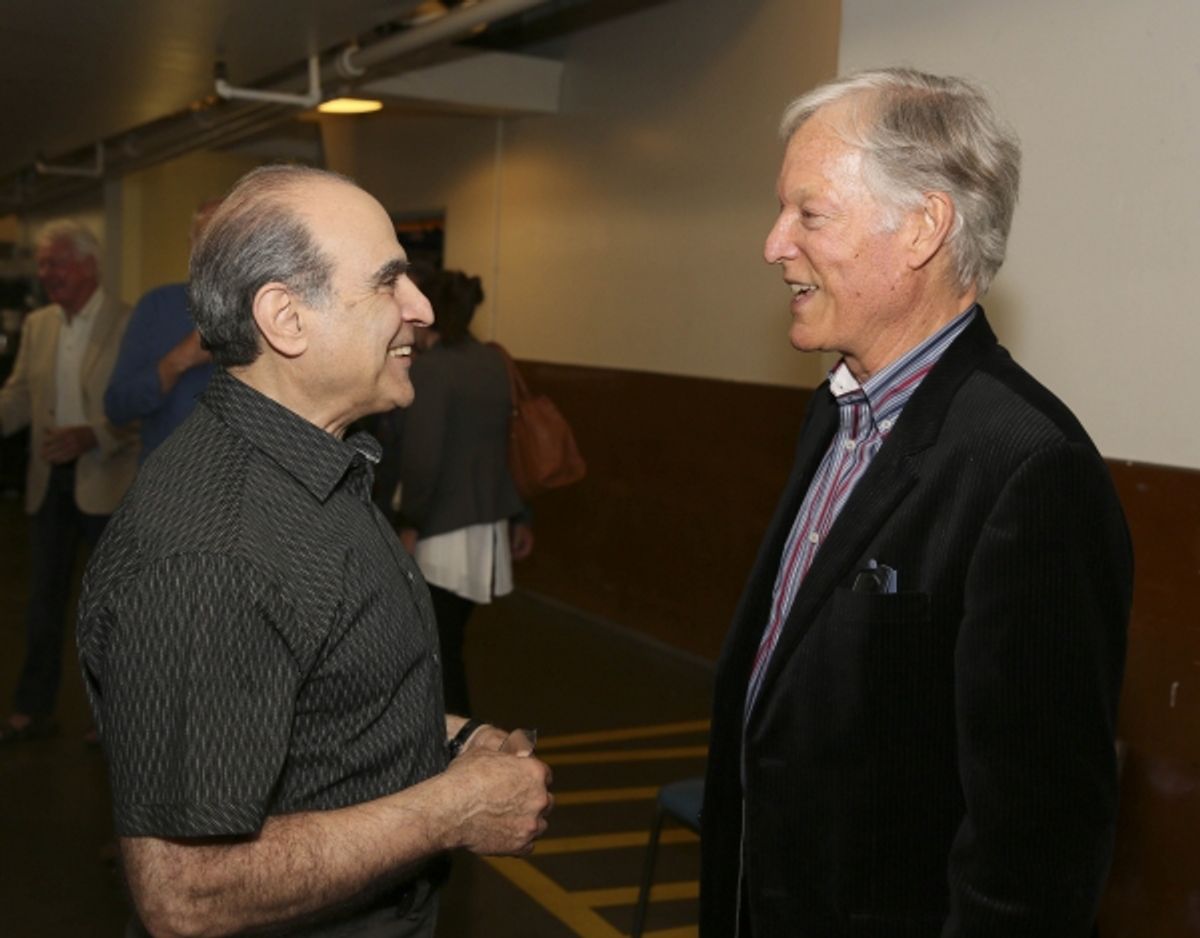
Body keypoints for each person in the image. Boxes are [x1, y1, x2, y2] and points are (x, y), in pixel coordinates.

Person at [700, 68, 1132, 937]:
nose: (774, 244)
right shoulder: (837, 415)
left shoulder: (1029, 470)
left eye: (809, 214)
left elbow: (1033, 850)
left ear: (923, 228)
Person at [76, 165, 552, 937]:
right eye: (388, 282)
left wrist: (454, 740)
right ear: (286, 319)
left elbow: (318, 698)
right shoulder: (211, 554)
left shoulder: (323, 467)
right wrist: (450, 809)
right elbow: (189, 893)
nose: (422, 309)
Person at [0, 220, 138, 743]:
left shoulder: (126, 323)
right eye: (42, 264)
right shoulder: (39, 325)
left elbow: (138, 407)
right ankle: (31, 710)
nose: (45, 273)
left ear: (88, 265)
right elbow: (16, 397)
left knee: (109, 610)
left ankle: (113, 718)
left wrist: (95, 435)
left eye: (55, 262)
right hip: (49, 480)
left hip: (106, 480)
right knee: (42, 603)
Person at [376, 269, 533, 716]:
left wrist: (410, 524)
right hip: (487, 525)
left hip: (442, 531)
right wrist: (522, 516)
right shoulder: (491, 362)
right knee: (452, 643)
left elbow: (422, 461)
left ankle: (455, 748)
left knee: (439, 654)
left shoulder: (431, 371)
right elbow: (503, 447)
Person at [104, 199, 220, 461]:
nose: (216, 250)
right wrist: (178, 360)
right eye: (205, 238)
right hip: (169, 490)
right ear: (191, 246)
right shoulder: (157, 307)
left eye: (230, 237)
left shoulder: (279, 312)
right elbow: (117, 407)